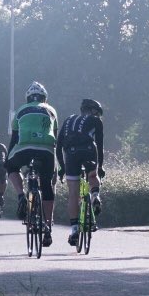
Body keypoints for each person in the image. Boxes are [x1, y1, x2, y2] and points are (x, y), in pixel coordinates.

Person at [6, 81, 59, 246]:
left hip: (25, 148)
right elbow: (55, 139)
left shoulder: (21, 110)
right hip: (46, 150)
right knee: (47, 185)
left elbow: (14, 139)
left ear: (28, 98)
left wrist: (8, 159)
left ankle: (21, 195)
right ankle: (48, 226)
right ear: (45, 98)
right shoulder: (51, 110)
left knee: (10, 166)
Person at [56, 98, 105, 246]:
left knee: (73, 193)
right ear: (93, 111)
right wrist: (100, 166)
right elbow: (100, 144)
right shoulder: (95, 120)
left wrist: (62, 167)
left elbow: (58, 146)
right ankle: (95, 195)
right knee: (92, 175)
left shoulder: (68, 120)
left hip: (70, 154)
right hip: (89, 150)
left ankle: (75, 229)